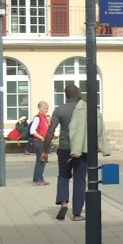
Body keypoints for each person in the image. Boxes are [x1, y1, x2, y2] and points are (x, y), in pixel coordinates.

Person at [65, 93, 110, 221]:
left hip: (75, 149)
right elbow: (101, 131)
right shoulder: (95, 112)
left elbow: (73, 129)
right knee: (86, 180)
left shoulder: (75, 109)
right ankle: (80, 211)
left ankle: (72, 208)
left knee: (74, 179)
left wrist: (75, 148)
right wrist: (104, 148)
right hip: (88, 150)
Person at [42, 85, 81, 220]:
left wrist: (45, 151)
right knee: (80, 179)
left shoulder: (59, 110)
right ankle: (77, 213)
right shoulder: (83, 109)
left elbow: (50, 131)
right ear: (76, 94)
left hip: (64, 148)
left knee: (63, 176)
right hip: (80, 148)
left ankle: (63, 203)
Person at [29, 100, 50, 184]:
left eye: (47, 108)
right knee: (41, 159)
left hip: (45, 142)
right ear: (40, 108)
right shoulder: (37, 118)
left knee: (43, 160)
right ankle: (38, 178)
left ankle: (38, 177)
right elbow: (32, 131)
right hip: (39, 142)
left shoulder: (45, 118)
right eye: (45, 108)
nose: (46, 110)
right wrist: (41, 137)